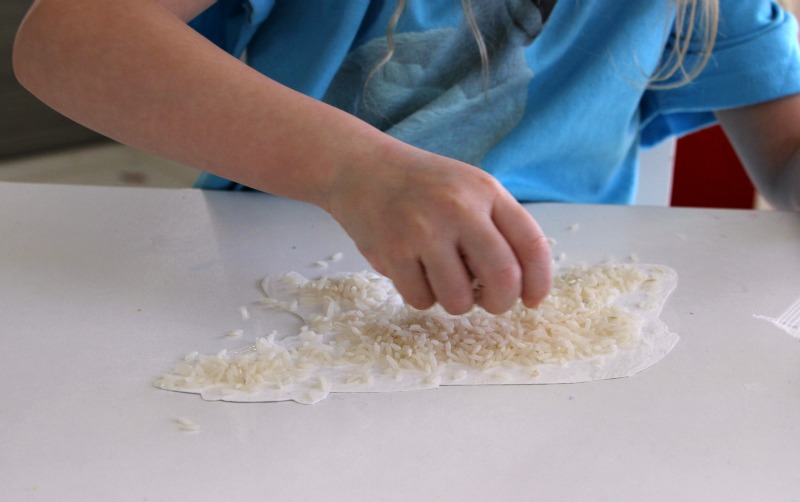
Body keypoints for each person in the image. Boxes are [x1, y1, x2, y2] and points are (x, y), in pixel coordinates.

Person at [12, 0, 800, 316]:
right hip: (264, 295)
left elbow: (786, 149)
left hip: (549, 310)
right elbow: (65, 38)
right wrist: (355, 170)